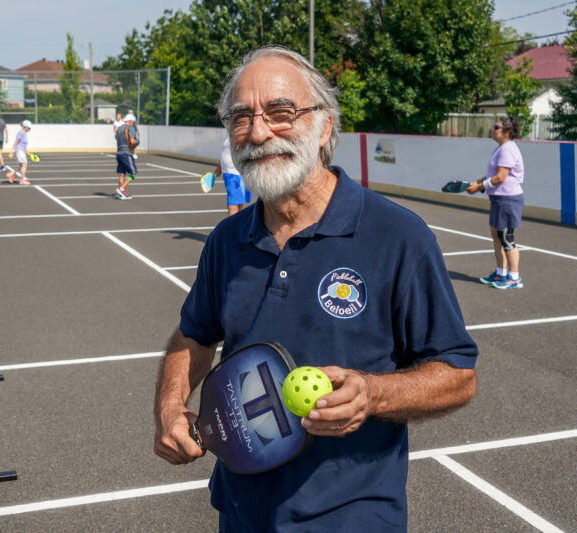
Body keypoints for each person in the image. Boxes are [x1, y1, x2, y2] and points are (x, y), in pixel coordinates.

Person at [153, 46, 478, 532]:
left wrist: (372, 393)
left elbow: (457, 373)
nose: (259, 132)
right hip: (241, 511)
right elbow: (193, 337)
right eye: (241, 117)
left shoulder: (397, 236)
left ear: (325, 126)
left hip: (351, 518)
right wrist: (169, 406)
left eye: (280, 112)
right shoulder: (227, 239)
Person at [466, 117, 525, 290]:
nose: (492, 129)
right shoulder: (501, 149)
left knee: (506, 238)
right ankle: (501, 273)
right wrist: (476, 183)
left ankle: (514, 277)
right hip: (499, 199)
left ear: (507, 132)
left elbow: (500, 177)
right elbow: (493, 174)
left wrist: (479, 187)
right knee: (496, 235)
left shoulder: (507, 149)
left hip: (508, 199)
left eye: (496, 127)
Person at [211, 133, 251, 216]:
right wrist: (216, 172)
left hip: (236, 174)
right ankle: (238, 227)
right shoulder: (229, 135)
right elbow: (225, 155)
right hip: (230, 174)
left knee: (233, 205)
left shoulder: (241, 133)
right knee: (238, 204)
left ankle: (233, 228)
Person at [114, 113, 138, 199]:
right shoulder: (129, 128)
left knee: (122, 174)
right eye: (133, 122)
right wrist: (136, 142)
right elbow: (132, 141)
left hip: (119, 153)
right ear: (130, 121)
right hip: (126, 153)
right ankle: (122, 189)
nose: (133, 124)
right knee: (133, 173)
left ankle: (122, 194)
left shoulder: (119, 128)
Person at [6, 120, 32, 185]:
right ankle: (22, 179)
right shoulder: (21, 132)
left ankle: (11, 174)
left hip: (22, 151)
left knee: (21, 165)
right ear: (25, 127)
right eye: (29, 128)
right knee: (24, 164)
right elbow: (16, 141)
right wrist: (12, 151)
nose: (29, 129)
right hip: (19, 151)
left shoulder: (24, 133)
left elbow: (22, 144)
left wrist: (26, 151)